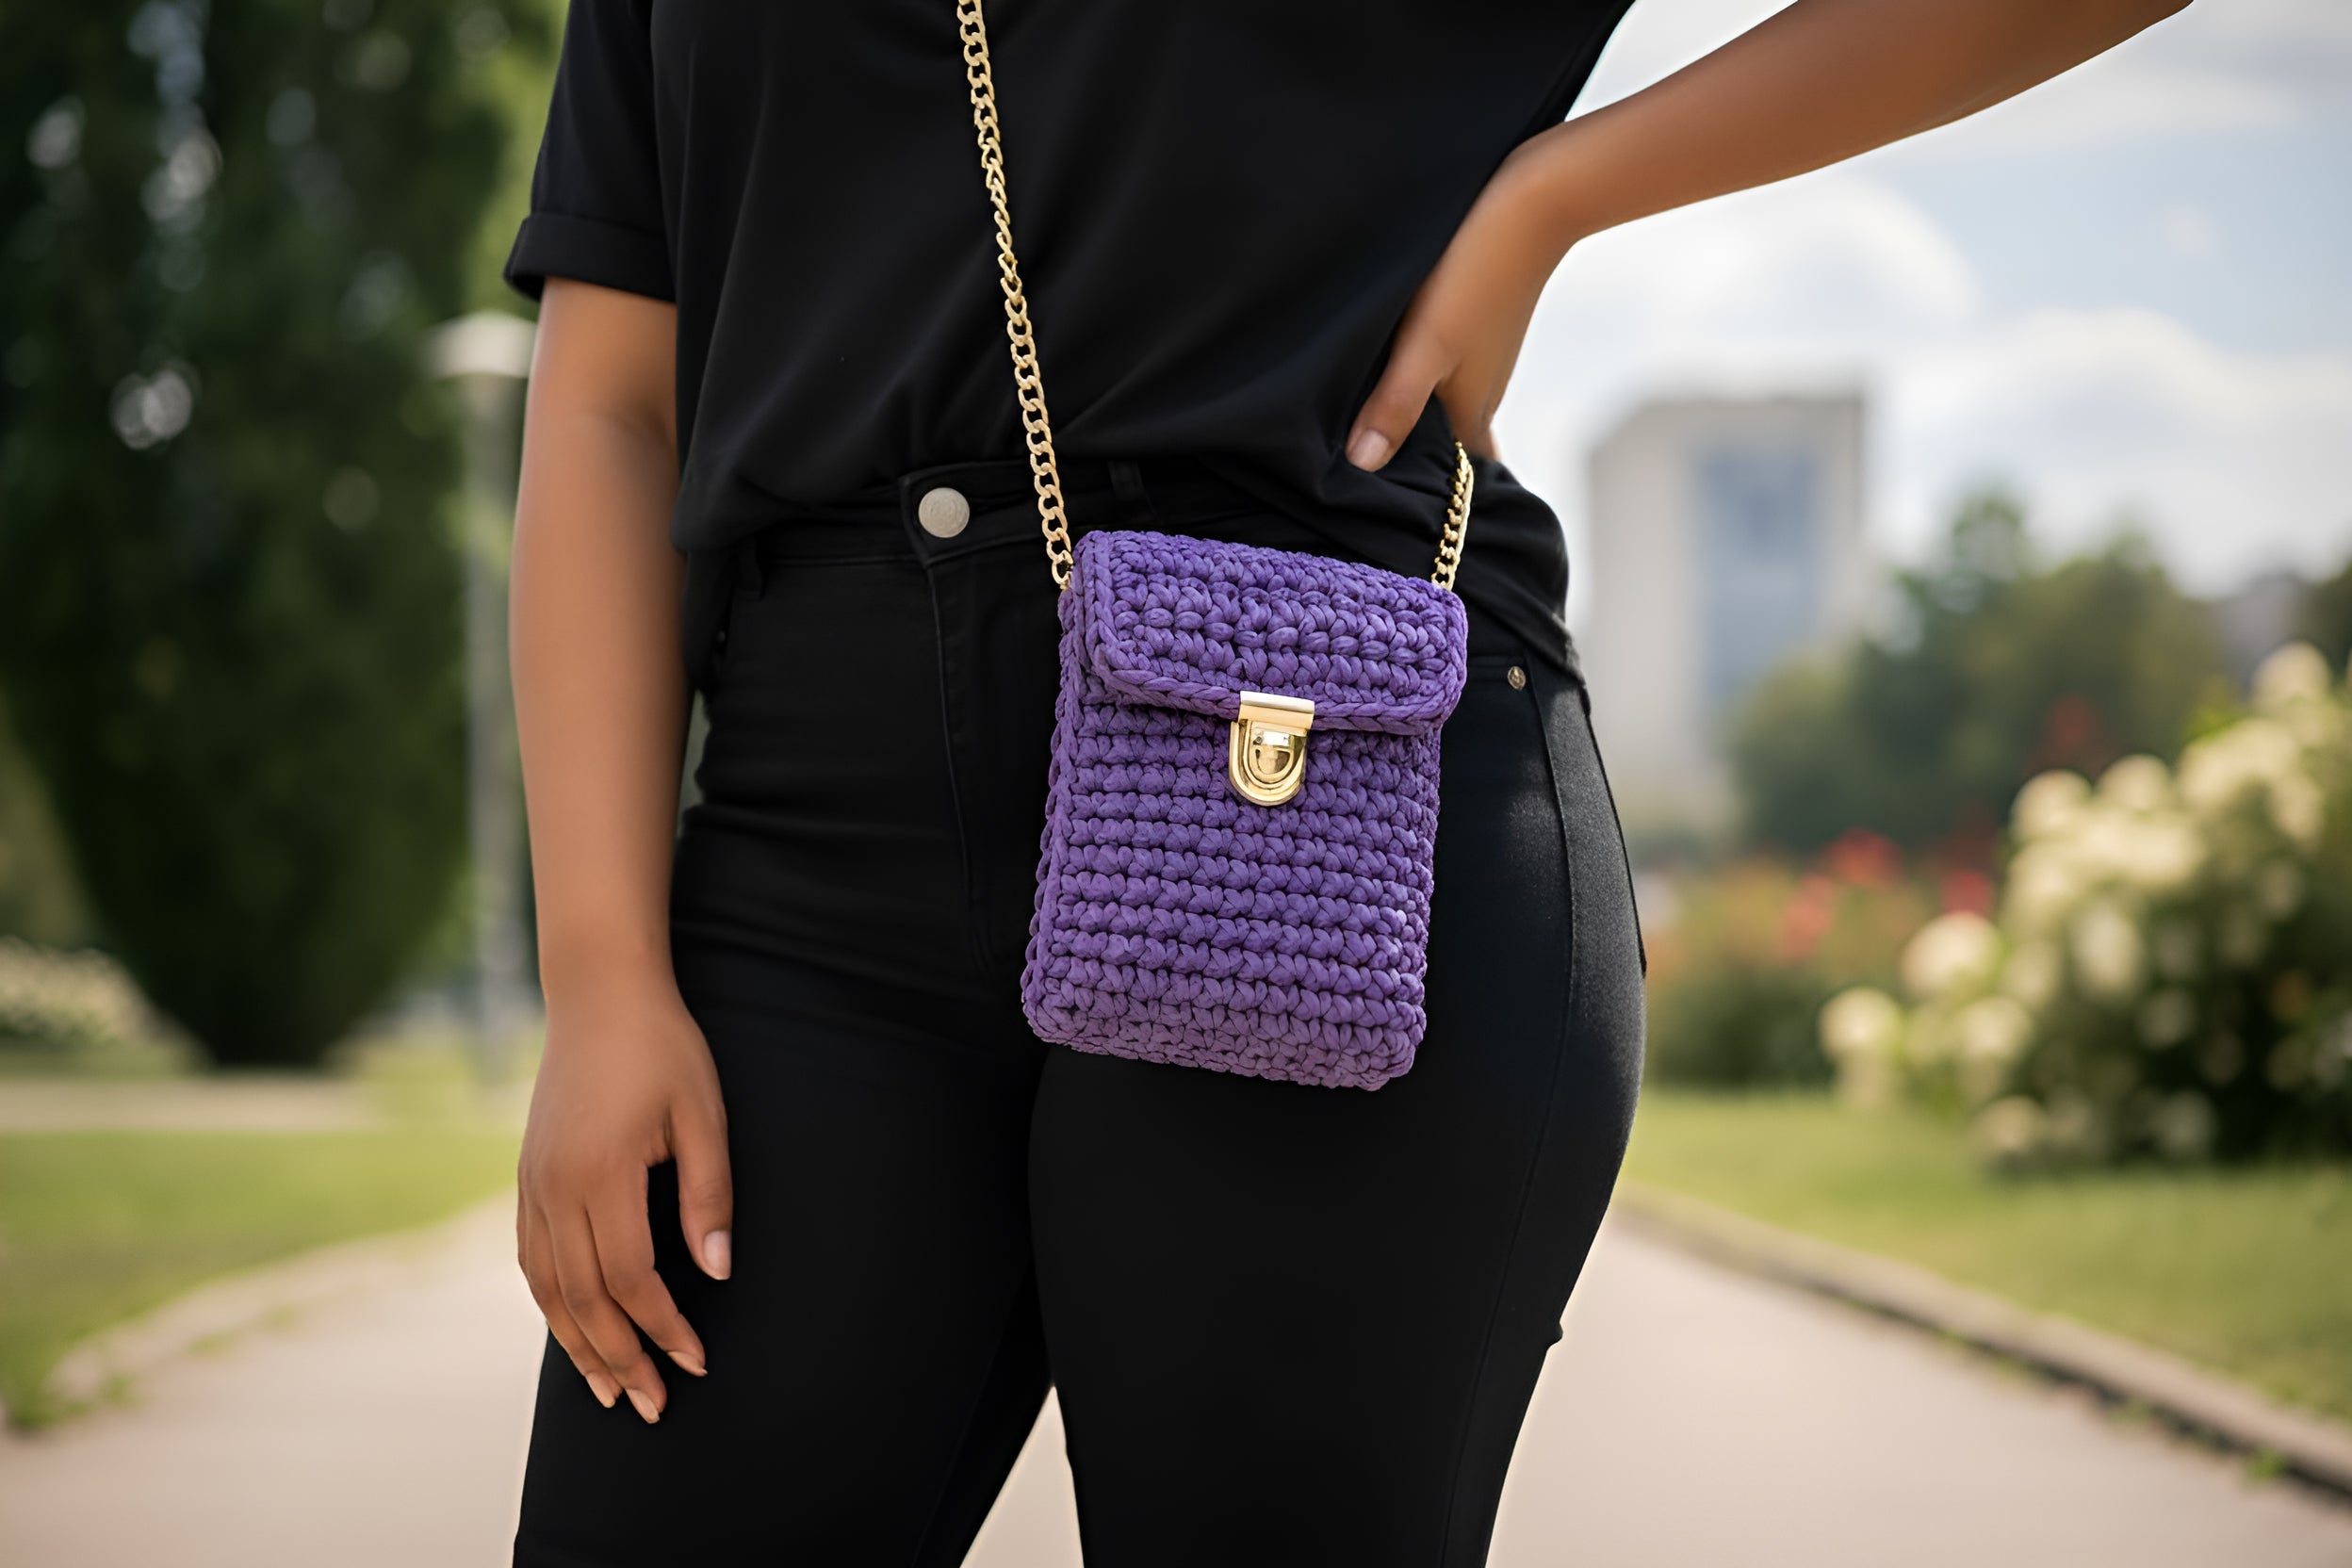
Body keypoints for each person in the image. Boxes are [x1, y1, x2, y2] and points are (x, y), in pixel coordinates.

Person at [500, 1, 2190, 1561]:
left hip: (1338, 781)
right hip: (812, 850)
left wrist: (1558, 192)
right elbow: (609, 397)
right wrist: (598, 971)